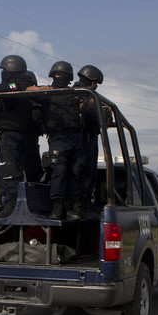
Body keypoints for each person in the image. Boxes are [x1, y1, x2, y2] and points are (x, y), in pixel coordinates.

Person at [0, 55, 42, 218]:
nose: (3, 73)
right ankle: (26, 203)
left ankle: (12, 205)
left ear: (11, 69)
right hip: (24, 136)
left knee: (7, 169)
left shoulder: (20, 84)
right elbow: (3, 114)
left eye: (4, 70)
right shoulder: (17, 90)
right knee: (25, 171)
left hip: (14, 137)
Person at [42, 61, 85, 219]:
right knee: (58, 171)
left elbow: (90, 104)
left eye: (64, 75)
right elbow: (28, 91)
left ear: (69, 78)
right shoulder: (46, 93)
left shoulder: (76, 92)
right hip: (58, 137)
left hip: (76, 137)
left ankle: (73, 207)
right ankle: (57, 207)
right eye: (58, 75)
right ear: (53, 76)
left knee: (76, 172)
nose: (60, 77)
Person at [73, 65, 104, 213]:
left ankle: (83, 203)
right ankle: (80, 204)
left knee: (88, 173)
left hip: (88, 137)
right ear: (92, 80)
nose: (96, 86)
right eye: (95, 83)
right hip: (83, 138)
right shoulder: (81, 94)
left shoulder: (83, 94)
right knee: (83, 171)